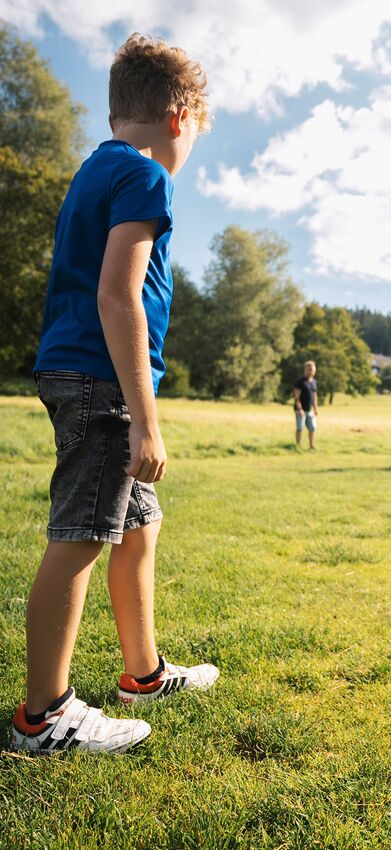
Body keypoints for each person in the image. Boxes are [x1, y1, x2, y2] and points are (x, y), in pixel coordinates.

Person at [9, 34, 219, 755]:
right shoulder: (147, 177)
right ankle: (45, 716)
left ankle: (144, 674)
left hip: (79, 370)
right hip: (104, 380)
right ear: (180, 117)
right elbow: (118, 296)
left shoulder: (96, 168)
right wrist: (146, 424)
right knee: (80, 539)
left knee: (137, 526)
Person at [293, 361, 319, 449]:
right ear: (305, 370)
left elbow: (314, 396)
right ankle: (297, 445)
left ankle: (312, 446)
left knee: (312, 428)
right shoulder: (300, 382)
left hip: (309, 409)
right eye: (309, 369)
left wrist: (316, 408)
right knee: (300, 428)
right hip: (300, 410)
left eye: (312, 369)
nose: (310, 371)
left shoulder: (314, 382)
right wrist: (299, 409)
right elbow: (297, 397)